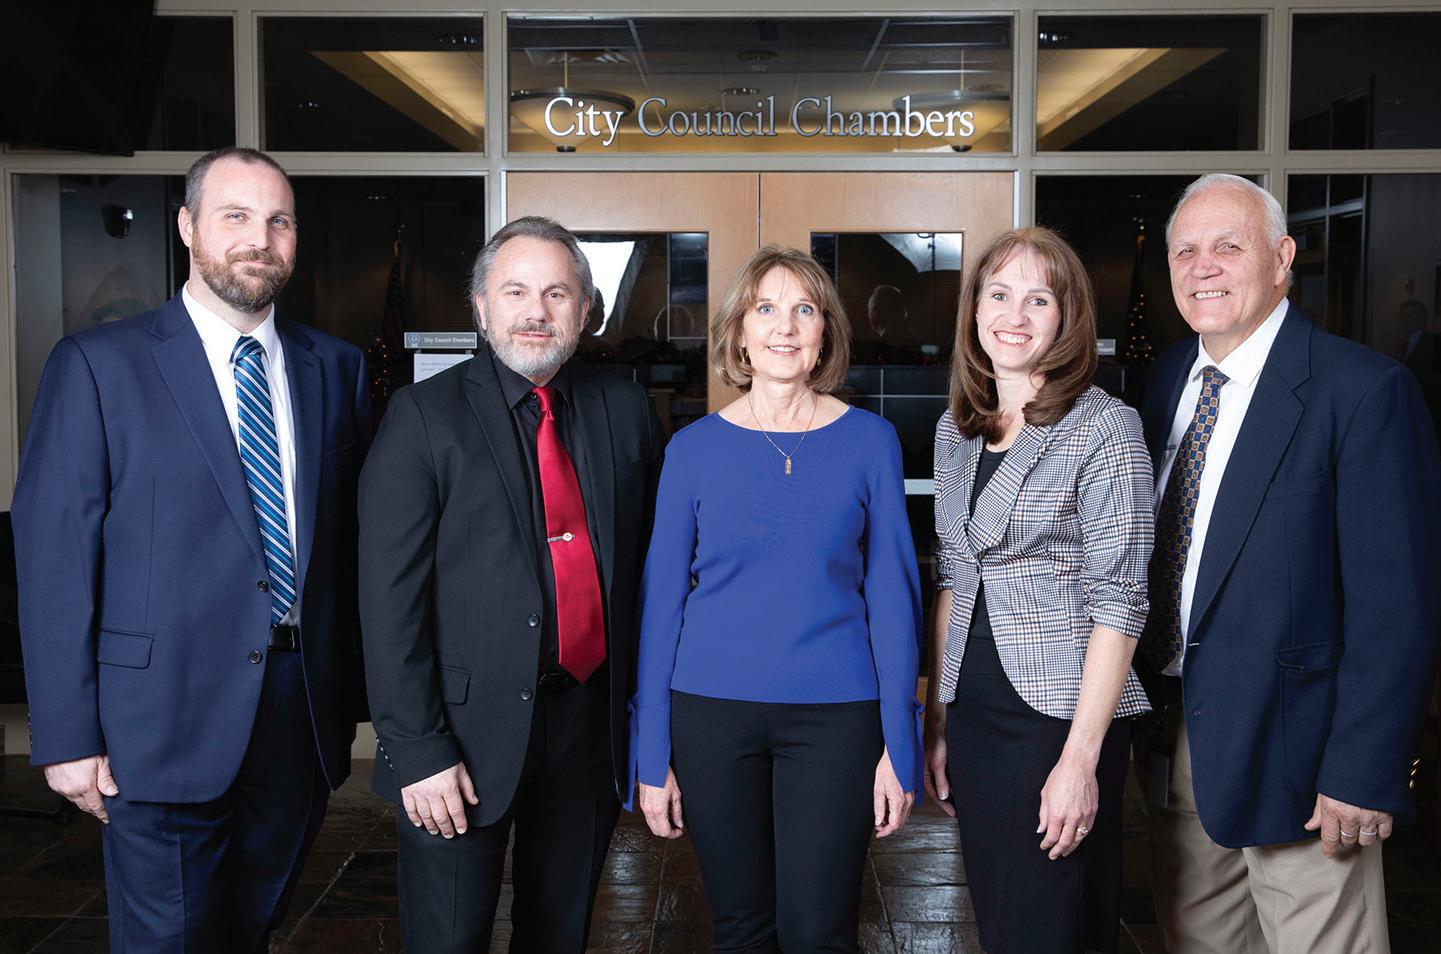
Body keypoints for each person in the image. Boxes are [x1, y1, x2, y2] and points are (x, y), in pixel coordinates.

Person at [12, 146, 370, 952]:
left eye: (278, 221)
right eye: (235, 216)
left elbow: (346, 549)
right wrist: (66, 734)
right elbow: (55, 560)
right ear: (186, 226)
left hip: (297, 713)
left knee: (250, 931)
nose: (259, 239)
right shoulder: (98, 364)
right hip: (154, 718)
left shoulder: (335, 369)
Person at [1134, 174, 1441, 953]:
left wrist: (1363, 770)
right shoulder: (1162, 383)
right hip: (1179, 742)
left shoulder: (1363, 390)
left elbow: (1395, 607)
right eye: (1184, 251)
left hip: (1305, 764)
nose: (1202, 266)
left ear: (1281, 258)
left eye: (1226, 246)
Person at [358, 216, 663, 953]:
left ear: (585, 311)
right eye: (516, 291)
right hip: (459, 737)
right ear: (480, 306)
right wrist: (416, 748)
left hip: (587, 726)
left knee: (558, 935)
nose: (536, 311)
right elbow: (388, 602)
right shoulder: (422, 417)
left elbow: (650, 575)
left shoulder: (624, 411)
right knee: (448, 940)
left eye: (557, 293)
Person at [632, 245, 923, 953]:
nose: (784, 326)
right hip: (710, 717)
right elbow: (661, 603)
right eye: (765, 308)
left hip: (838, 718)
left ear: (825, 332)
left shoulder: (871, 442)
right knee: (740, 931)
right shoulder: (691, 450)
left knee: (820, 933)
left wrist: (900, 743)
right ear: (739, 331)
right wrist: (650, 751)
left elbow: (893, 596)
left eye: (803, 309)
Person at [923, 227, 1154, 954]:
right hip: (974, 710)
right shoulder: (956, 430)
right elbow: (955, 576)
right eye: (998, 294)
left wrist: (1080, 760)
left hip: (1057, 719)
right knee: (1002, 920)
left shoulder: (1106, 427)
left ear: (1066, 317)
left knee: (1053, 923)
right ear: (973, 310)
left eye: (1038, 299)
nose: (1014, 315)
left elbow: (1121, 601)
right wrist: (937, 717)